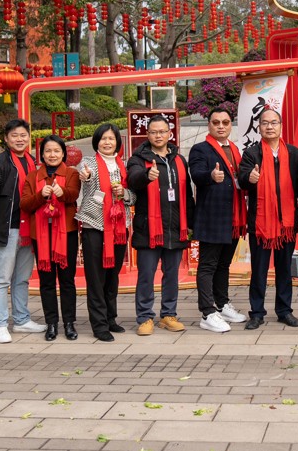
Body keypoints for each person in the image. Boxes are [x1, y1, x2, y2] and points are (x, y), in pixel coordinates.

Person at [238, 108, 298, 329]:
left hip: (287, 222)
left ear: (281, 126)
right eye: (265, 123)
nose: (270, 127)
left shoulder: (295, 154)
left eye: (274, 123)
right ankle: (257, 313)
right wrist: (250, 178)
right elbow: (242, 180)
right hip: (260, 223)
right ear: (259, 127)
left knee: (284, 270)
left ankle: (284, 311)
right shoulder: (251, 154)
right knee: (259, 270)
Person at [127, 115, 195, 335]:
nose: (158, 135)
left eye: (162, 131)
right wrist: (147, 175)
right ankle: (145, 317)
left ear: (169, 134)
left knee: (172, 274)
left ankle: (168, 314)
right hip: (149, 229)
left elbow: (187, 195)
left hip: (175, 227)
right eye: (154, 132)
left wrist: (191, 223)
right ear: (147, 135)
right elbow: (133, 180)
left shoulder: (179, 159)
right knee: (146, 275)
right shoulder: (138, 159)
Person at [0, 119, 46, 344]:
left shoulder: (33, 162)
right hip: (8, 228)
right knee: (2, 279)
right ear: (6, 139)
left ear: (29, 137)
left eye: (23, 135)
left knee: (22, 278)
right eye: (15, 135)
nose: (20, 139)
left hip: (29, 229)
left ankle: (21, 319)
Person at [188, 108, 249, 334]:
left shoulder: (234, 148)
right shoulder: (200, 149)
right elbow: (196, 174)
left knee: (224, 265)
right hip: (212, 217)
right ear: (209, 125)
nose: (221, 126)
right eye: (216, 122)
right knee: (208, 266)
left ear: (231, 125)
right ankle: (207, 312)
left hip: (233, 217)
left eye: (225, 122)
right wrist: (211, 176)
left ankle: (222, 305)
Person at [76, 123, 136, 341]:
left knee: (112, 277)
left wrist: (124, 192)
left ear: (118, 142)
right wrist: (86, 175)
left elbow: (134, 196)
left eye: (111, 138)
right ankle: (99, 325)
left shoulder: (125, 165)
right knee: (96, 277)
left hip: (119, 227)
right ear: (97, 141)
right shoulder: (89, 162)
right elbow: (85, 175)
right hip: (95, 226)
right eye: (103, 138)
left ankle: (111, 318)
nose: (107, 142)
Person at [21, 135, 81, 341]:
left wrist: (61, 192)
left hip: (66, 233)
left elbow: (73, 195)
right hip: (41, 234)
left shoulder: (72, 173)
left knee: (67, 280)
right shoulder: (32, 177)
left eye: (56, 151)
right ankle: (51, 324)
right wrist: (41, 195)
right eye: (48, 151)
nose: (52, 155)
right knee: (46, 281)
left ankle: (69, 323)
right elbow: (25, 204)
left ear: (63, 153)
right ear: (42, 155)